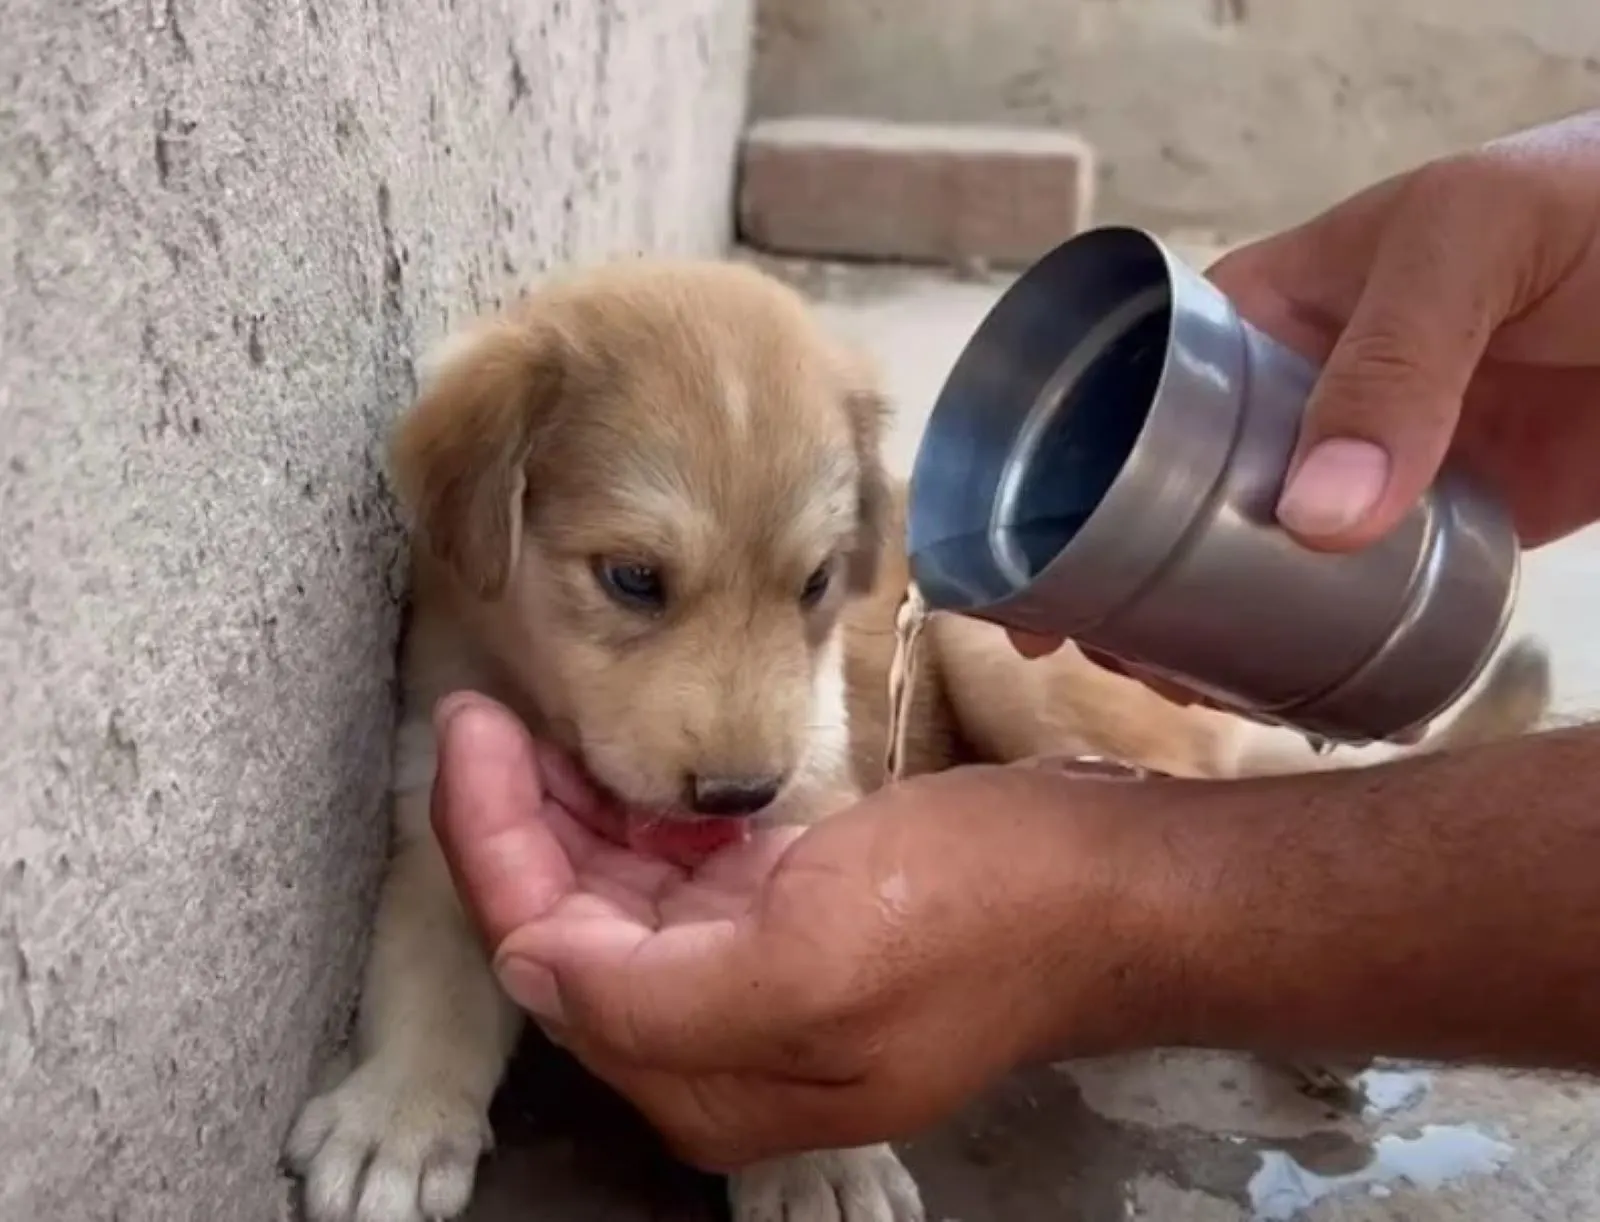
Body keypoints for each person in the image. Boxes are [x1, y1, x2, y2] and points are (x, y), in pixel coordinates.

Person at [428, 107, 1600, 1172]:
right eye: (636, 581)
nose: (745, 737)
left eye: (813, 584)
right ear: (486, 503)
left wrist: (814, 1138)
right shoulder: (479, 583)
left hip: (1052, 747)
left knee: (999, 657)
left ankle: (1204, 814)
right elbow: (426, 873)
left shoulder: (850, 599)